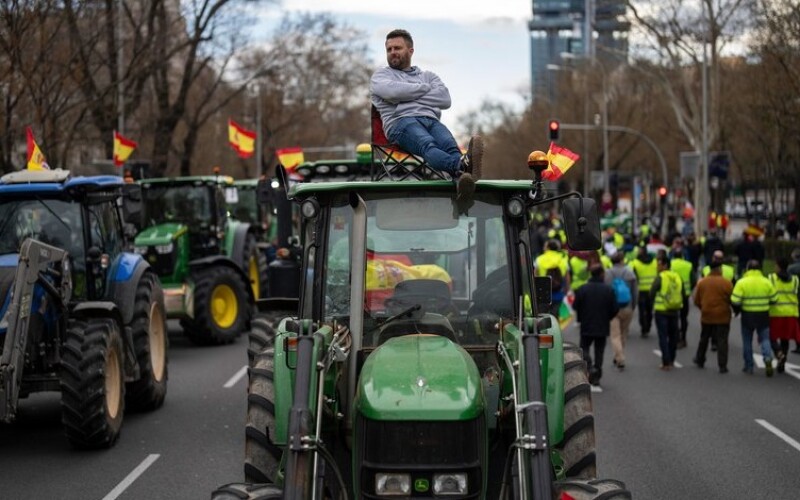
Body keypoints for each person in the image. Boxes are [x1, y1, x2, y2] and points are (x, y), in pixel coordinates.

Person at [371, 29, 483, 199]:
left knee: (450, 146)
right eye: (389, 49)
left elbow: (445, 100)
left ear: (410, 51)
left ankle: (461, 179)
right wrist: (424, 90)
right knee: (428, 144)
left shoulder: (428, 76)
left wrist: (405, 99)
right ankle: (461, 166)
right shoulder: (381, 75)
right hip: (400, 124)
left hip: (430, 120)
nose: (393, 52)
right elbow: (392, 93)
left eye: (397, 48)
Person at [573, 264, 619, 386]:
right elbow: (615, 308)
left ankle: (589, 367)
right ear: (601, 274)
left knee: (584, 348)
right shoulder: (608, 290)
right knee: (599, 351)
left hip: (586, 324)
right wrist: (607, 317)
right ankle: (597, 373)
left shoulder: (583, 289)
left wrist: (582, 316)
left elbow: (575, 305)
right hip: (602, 325)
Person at [731, 260, 777, 376]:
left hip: (747, 315)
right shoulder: (766, 282)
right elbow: (774, 299)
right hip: (763, 315)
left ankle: (749, 366)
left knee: (747, 341)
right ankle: (767, 358)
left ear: (747, 269)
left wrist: (739, 308)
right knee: (765, 339)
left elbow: (735, 300)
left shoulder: (742, 282)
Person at [692, 259, 734, 373]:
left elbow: (696, 300)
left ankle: (700, 359)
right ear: (720, 269)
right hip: (723, 315)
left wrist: (704, 308)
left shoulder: (703, 283)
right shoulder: (726, 283)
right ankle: (722, 365)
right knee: (722, 340)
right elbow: (733, 299)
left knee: (704, 338)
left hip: (707, 314)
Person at [605, 252, 638, 370]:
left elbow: (606, 292)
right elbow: (635, 292)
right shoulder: (630, 272)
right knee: (624, 333)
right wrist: (633, 306)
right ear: (622, 260)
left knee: (615, 335)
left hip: (613, 309)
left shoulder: (607, 274)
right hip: (627, 307)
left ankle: (619, 357)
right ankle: (619, 355)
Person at [650, 254, 683, 370]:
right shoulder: (677, 276)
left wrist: (650, 306)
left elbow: (652, 292)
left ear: (664, 265)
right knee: (673, 337)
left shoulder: (661, 277)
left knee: (663, 337)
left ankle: (666, 361)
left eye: (659, 264)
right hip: (674, 310)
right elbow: (682, 291)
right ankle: (672, 359)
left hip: (662, 311)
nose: (657, 267)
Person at [767, 258, 799, 373]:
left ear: (779, 267)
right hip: (791, 313)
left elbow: (768, 293)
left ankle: (779, 353)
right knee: (785, 340)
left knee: (771, 337)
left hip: (776, 313)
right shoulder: (795, 280)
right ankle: (782, 364)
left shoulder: (771, 278)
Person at [669, 238, 695, 349]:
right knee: (684, 318)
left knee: (674, 317)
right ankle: (683, 338)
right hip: (685, 295)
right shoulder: (688, 265)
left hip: (673, 294)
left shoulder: (670, 265)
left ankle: (675, 338)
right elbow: (693, 280)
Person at [535, 239, 570, 317]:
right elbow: (567, 277)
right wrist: (567, 290)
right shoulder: (563, 259)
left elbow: (535, 276)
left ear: (548, 247)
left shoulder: (539, 259)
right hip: (558, 291)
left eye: (545, 246)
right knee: (555, 315)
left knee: (542, 316)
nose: (543, 248)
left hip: (543, 293)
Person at [632, 244, 658, 337]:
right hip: (652, 290)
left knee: (642, 311)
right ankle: (648, 326)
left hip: (641, 290)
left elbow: (634, 278)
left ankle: (644, 328)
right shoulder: (655, 261)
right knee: (649, 310)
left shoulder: (635, 263)